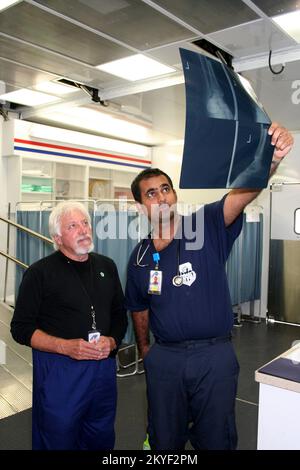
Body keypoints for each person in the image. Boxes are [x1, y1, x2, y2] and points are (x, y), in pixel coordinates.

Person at [125, 123, 293, 450]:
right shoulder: (140, 258)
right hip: (167, 360)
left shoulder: (205, 226)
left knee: (216, 439)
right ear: (139, 207)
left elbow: (240, 195)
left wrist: (269, 162)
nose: (161, 197)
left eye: (165, 189)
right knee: (164, 441)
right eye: (151, 193)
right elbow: (138, 307)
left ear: (174, 194)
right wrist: (148, 352)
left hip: (214, 357)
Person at [11, 201, 127, 450]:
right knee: (58, 438)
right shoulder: (39, 273)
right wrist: (65, 347)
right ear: (57, 237)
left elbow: (120, 315)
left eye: (85, 223)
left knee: (101, 436)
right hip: (61, 372)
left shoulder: (107, 266)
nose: (84, 229)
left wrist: (113, 340)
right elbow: (20, 328)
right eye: (73, 226)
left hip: (103, 370)